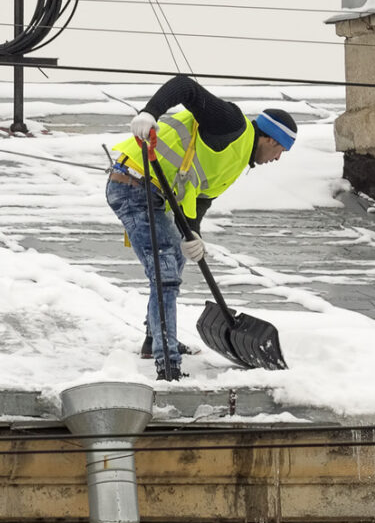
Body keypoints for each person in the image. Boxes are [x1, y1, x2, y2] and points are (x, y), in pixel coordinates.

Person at [105, 74, 297, 381]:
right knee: (165, 270)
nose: (277, 158)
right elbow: (186, 86)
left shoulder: (237, 159)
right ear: (270, 139)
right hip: (134, 184)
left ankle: (154, 338)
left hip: (154, 194)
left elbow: (200, 199)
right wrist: (150, 113)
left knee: (174, 262)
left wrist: (192, 234)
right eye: (281, 151)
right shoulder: (232, 125)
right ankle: (166, 363)